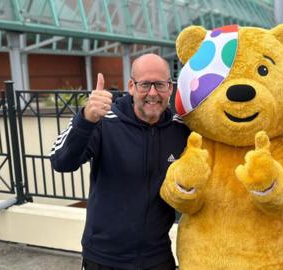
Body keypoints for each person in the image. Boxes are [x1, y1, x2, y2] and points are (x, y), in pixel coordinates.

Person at [50, 53, 189, 270]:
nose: (153, 93)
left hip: (157, 257)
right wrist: (86, 119)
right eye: (144, 85)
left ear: (170, 88)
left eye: (160, 85)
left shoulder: (180, 129)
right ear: (131, 86)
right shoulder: (103, 121)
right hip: (104, 258)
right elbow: (61, 161)